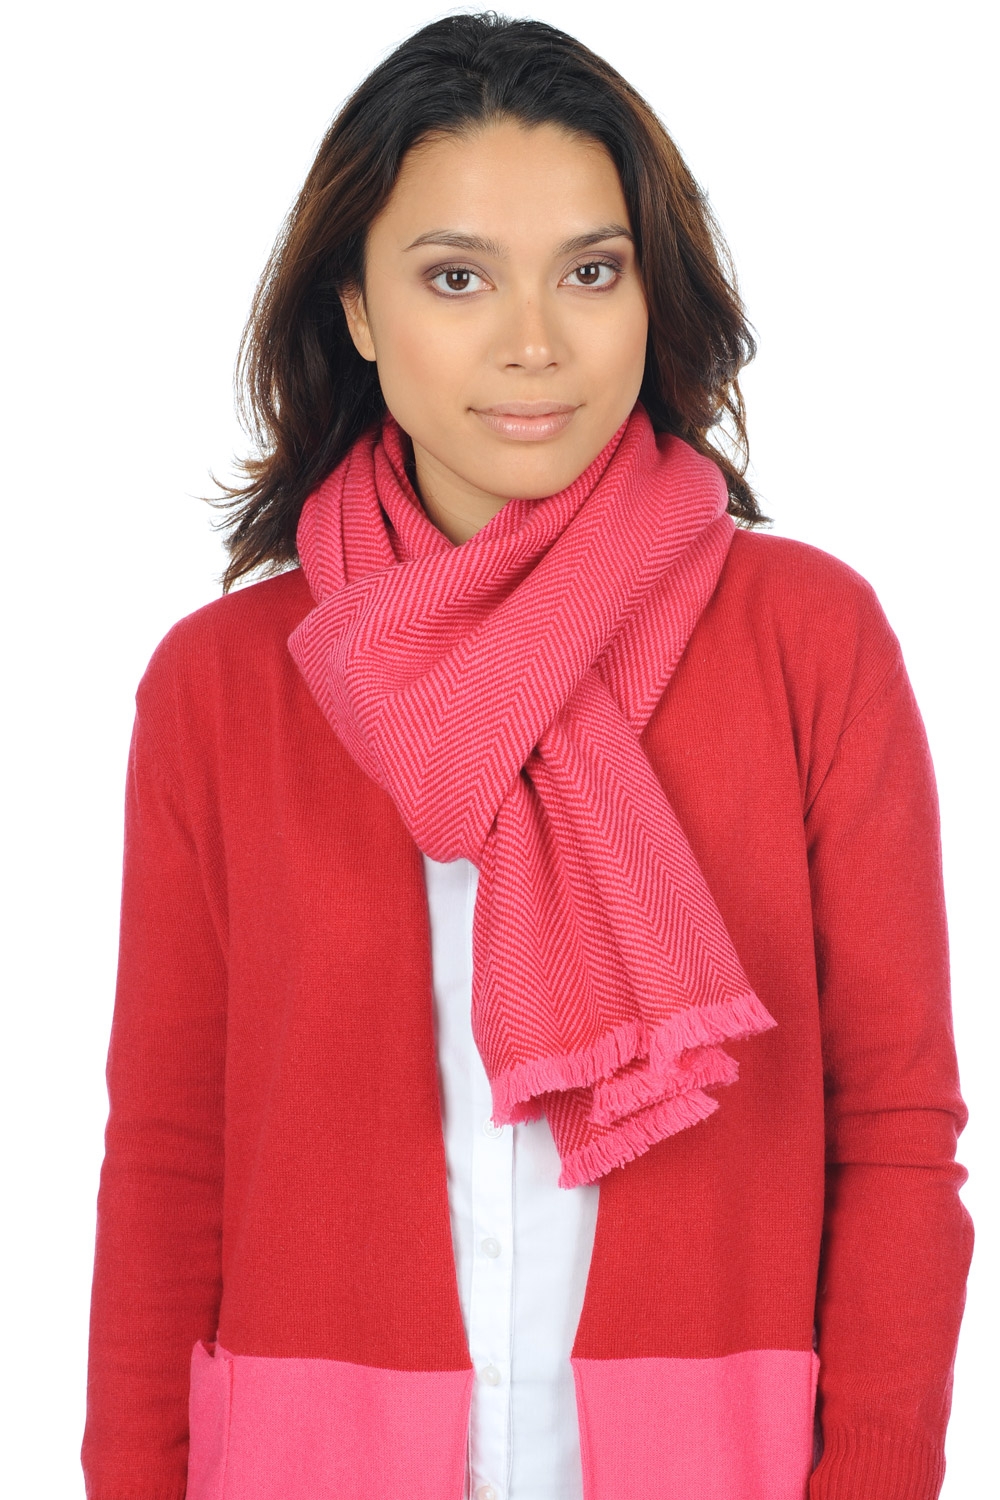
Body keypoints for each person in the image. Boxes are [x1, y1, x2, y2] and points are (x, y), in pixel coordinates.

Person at [81, 13, 973, 1500]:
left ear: (651, 291)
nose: (535, 342)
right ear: (356, 309)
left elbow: (893, 1134)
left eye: (591, 270)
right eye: (456, 276)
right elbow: (171, 1159)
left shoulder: (807, 640)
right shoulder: (222, 685)